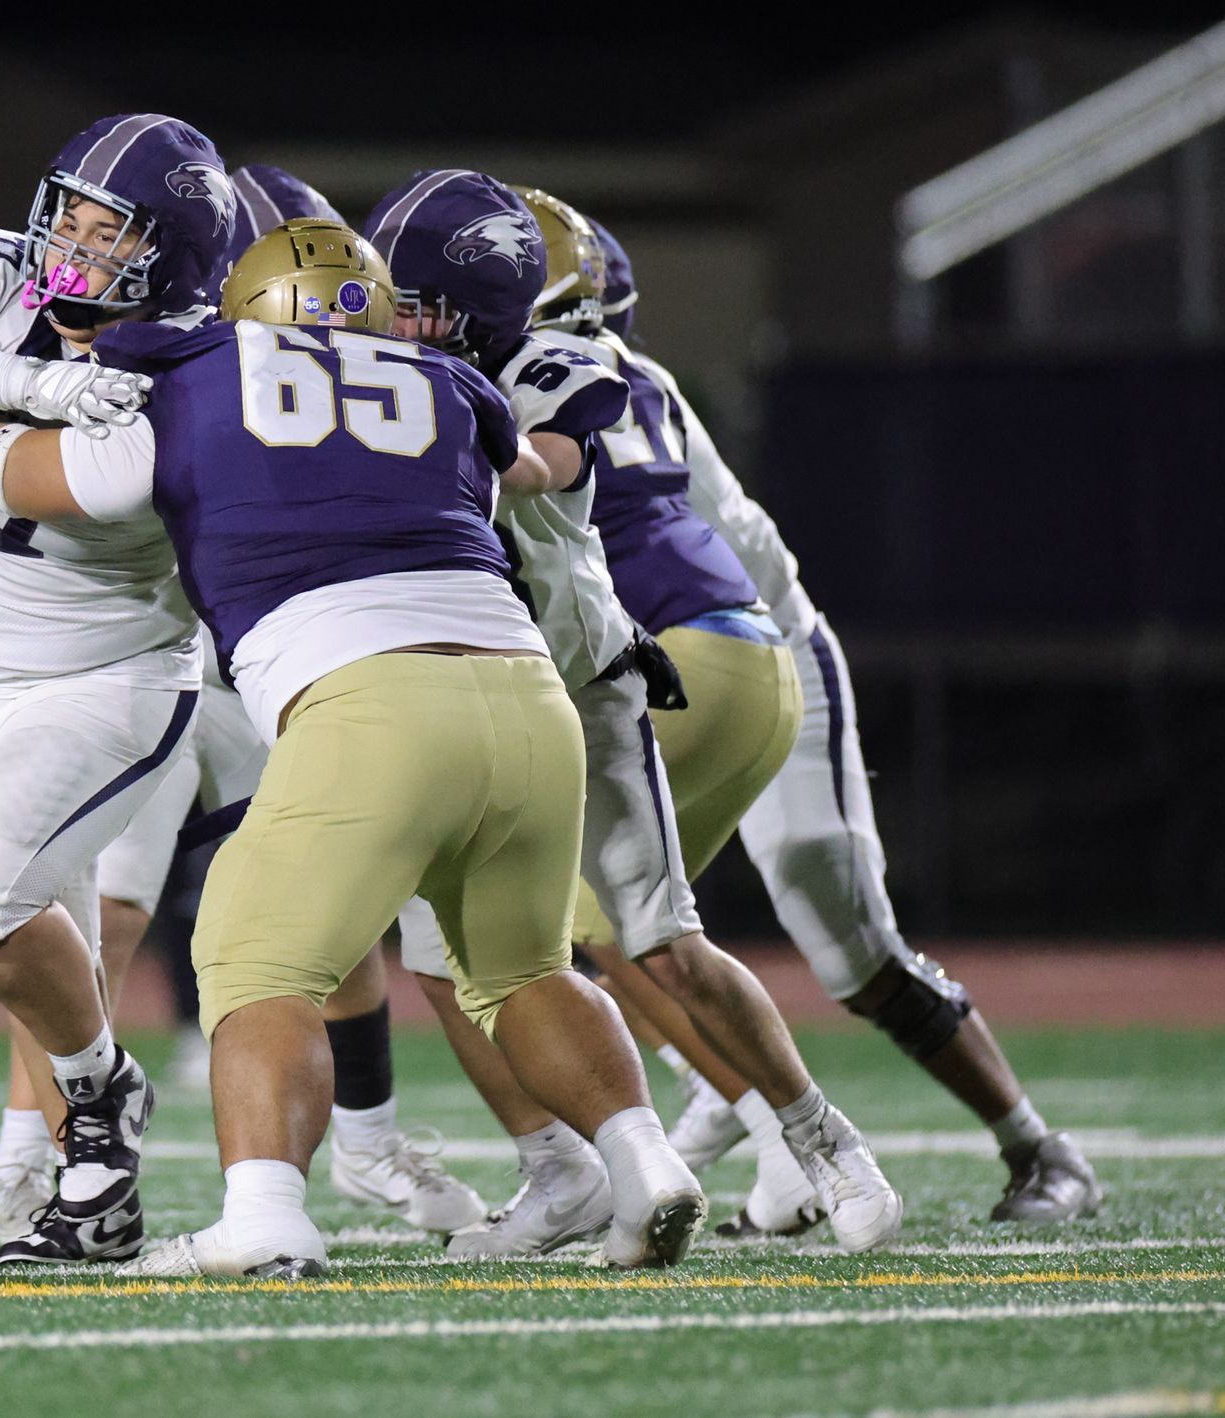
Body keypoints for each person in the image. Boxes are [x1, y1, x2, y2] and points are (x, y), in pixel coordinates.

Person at [0, 216, 707, 1279]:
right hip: (525, 693)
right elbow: (515, 483)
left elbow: (64, 464)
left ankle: (263, 1213)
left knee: (253, 962)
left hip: (369, 691)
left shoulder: (192, 361)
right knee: (526, 969)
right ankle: (644, 1163)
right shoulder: (452, 384)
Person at [371, 172, 901, 1253]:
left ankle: (821, 1137)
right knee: (436, 949)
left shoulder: (560, 366)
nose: (396, 319)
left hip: (586, 689)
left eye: (417, 299)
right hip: (471, 697)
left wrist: (399, 421)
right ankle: (564, 1169)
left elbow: (534, 465)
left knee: (658, 940)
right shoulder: (390, 375)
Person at [576, 212, 1099, 1224]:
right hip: (655, 666)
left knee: (843, 935)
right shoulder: (537, 383)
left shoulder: (594, 386)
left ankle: (1037, 1144)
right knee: (597, 909)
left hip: (760, 648)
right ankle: (742, 1104)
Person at [83, 163, 487, 1241]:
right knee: (109, 903)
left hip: (277, 650)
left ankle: (344, 1154)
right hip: (172, 643)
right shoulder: (416, 371)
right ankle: (43, 1157)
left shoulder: (193, 349)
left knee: (299, 929)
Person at [0, 114, 229, 1265]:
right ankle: (97, 1172)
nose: (68, 236)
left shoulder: (191, 366)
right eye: (65, 206)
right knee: (35, 946)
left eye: (104, 226)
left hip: (103, 680)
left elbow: (51, 482)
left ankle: (98, 1106)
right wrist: (35, 383)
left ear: (167, 254)